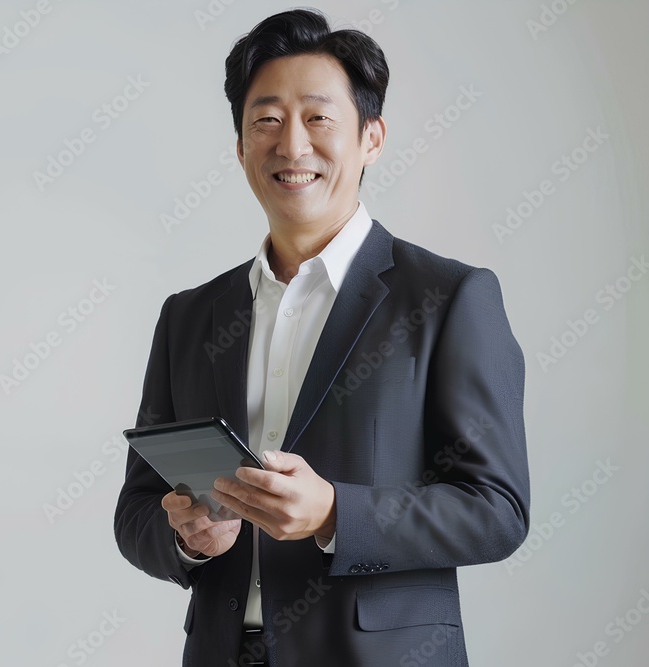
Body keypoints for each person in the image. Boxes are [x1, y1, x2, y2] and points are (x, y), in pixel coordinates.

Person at [114, 8, 529, 666]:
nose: (292, 146)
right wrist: (188, 537)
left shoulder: (449, 298)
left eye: (318, 118)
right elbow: (137, 510)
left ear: (372, 137)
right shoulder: (189, 316)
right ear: (242, 146)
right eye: (267, 121)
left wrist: (339, 513)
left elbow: (497, 508)